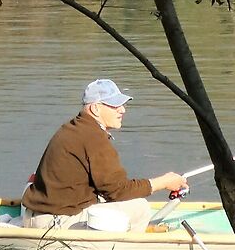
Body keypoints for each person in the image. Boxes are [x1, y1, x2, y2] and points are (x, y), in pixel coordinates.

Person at [21, 78, 186, 232]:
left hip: (36, 215)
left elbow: (108, 188)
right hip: (54, 223)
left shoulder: (74, 127)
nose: (122, 110)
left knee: (113, 201)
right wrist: (164, 182)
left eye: (122, 105)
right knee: (140, 207)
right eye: (114, 105)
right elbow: (118, 191)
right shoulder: (93, 136)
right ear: (95, 108)